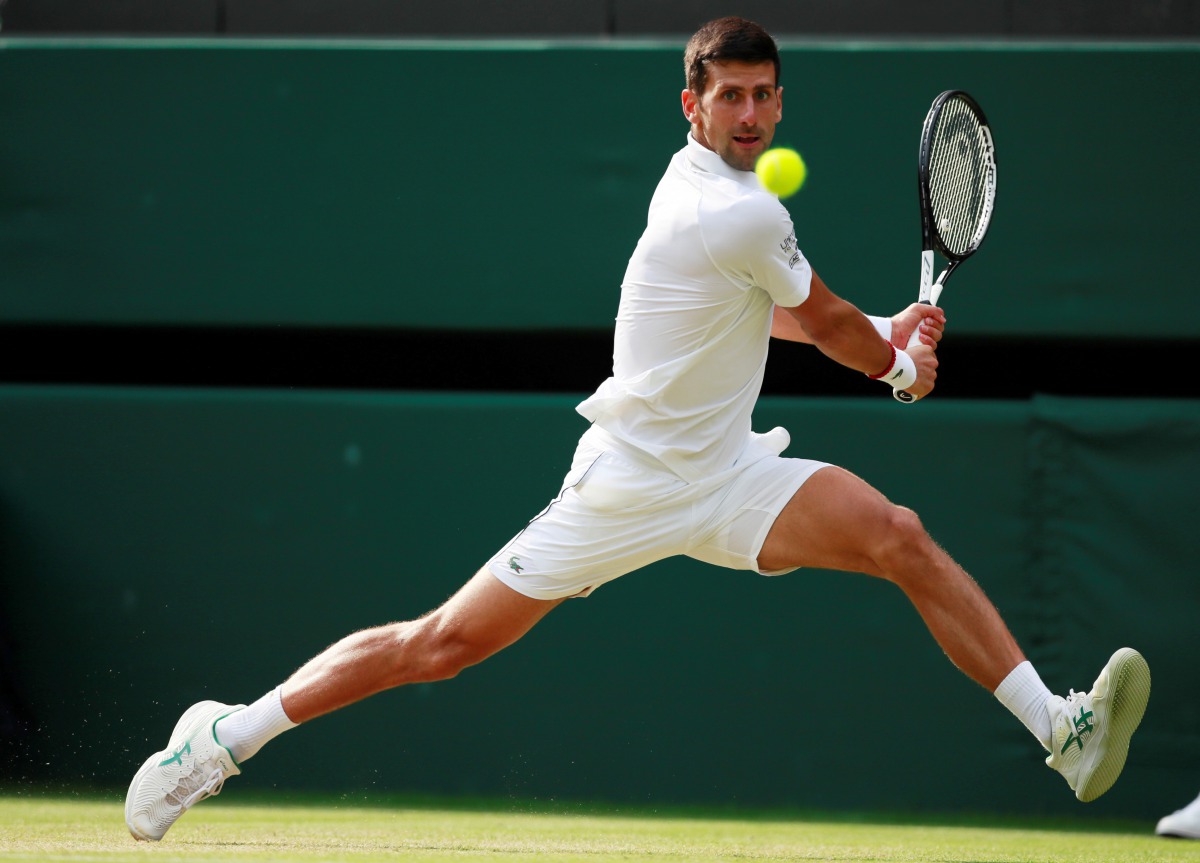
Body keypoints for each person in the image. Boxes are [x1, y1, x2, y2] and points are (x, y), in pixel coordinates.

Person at [124, 16, 1151, 841]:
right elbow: (828, 325)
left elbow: (780, 313)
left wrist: (886, 334)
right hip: (628, 482)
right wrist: (893, 364)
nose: (748, 113)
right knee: (438, 644)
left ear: (780, 102)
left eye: (762, 95)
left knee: (900, 534)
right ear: (692, 105)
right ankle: (220, 738)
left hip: (732, 473)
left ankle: (1060, 729)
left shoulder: (722, 195)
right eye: (728, 96)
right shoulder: (733, 212)